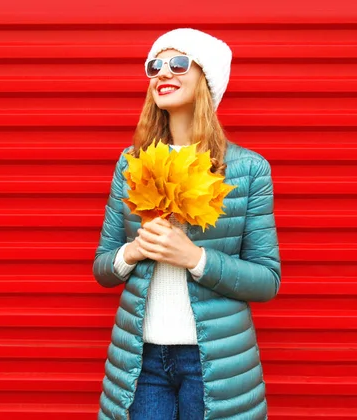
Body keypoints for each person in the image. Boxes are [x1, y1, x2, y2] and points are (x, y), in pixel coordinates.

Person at [93, 28, 281, 420]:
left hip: (214, 361)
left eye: (178, 63)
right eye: (155, 66)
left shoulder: (248, 169)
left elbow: (267, 280)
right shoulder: (131, 163)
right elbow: (103, 268)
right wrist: (133, 251)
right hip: (140, 361)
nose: (163, 73)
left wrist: (195, 258)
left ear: (207, 79)